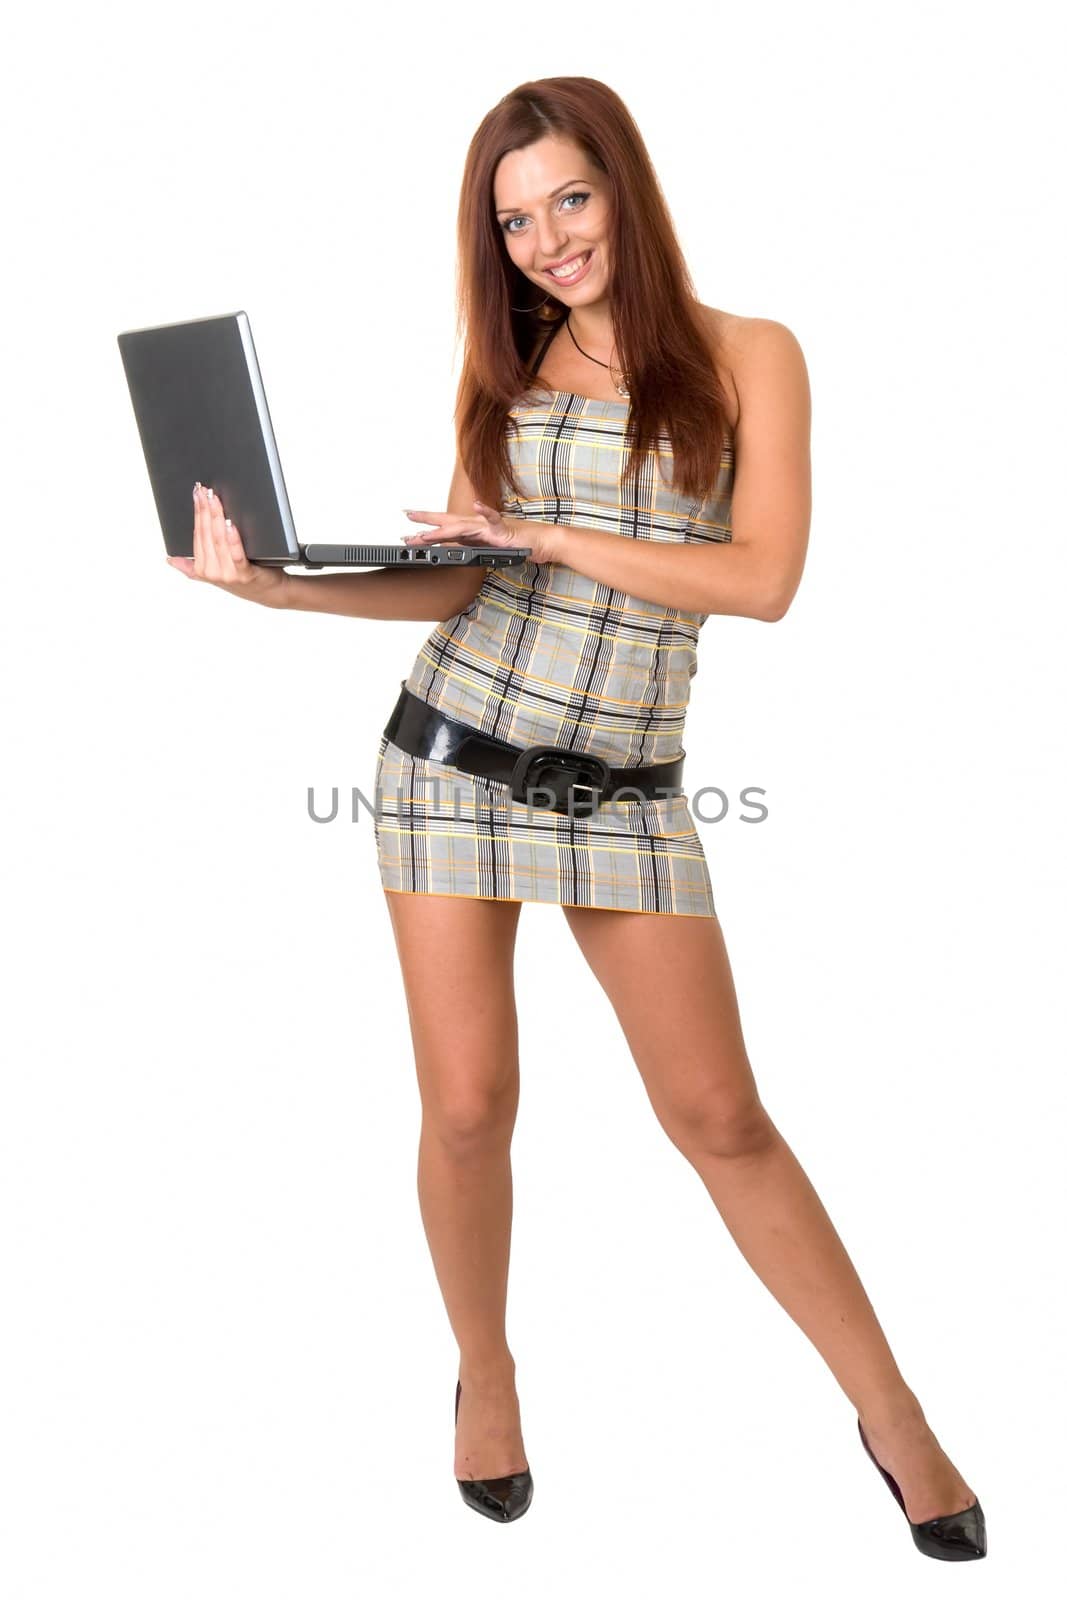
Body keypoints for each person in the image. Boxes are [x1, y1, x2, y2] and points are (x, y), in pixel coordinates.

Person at [168, 77, 986, 1558]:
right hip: (451, 761)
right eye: (513, 218)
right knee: (471, 1109)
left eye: (569, 199)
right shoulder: (508, 367)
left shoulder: (752, 357)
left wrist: (550, 530)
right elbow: (472, 584)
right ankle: (487, 1374)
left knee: (721, 1116)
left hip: (631, 794)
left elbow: (762, 579)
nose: (545, 241)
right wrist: (279, 586)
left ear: (624, 187)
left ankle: (896, 1414)